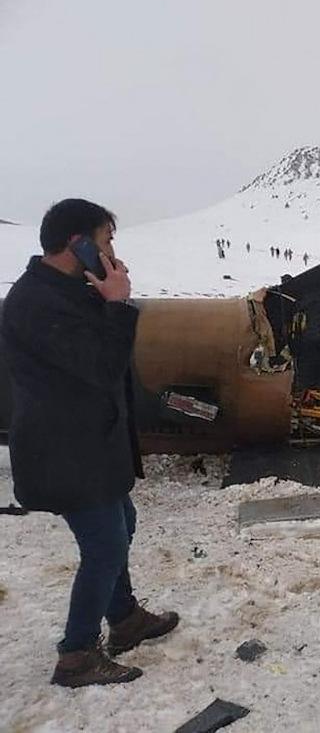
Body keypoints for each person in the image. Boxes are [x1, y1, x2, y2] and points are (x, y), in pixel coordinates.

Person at [0, 199, 179, 688]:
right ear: (75, 243)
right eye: (105, 241)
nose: (112, 252)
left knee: (123, 522)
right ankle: (75, 655)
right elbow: (100, 368)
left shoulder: (65, 290)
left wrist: (106, 299)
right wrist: (117, 306)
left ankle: (123, 619)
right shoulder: (37, 303)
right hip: (65, 451)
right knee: (104, 546)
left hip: (90, 443)